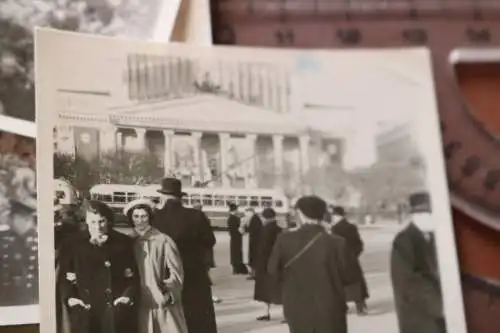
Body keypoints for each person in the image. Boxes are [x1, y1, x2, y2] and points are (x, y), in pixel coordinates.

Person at [268, 196, 355, 333]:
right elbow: (350, 277)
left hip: (297, 306)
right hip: (331, 307)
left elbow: (273, 270)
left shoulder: (284, 240)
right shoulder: (338, 243)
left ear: (301, 215)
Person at [58, 200, 139, 333]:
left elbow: (133, 276)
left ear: (108, 221)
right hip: (86, 310)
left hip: (114, 309)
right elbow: (64, 277)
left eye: (101, 221)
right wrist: (72, 300)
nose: (97, 227)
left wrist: (126, 297)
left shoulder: (123, 242)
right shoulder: (72, 244)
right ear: (86, 222)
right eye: (93, 222)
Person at [152, 178, 217, 333]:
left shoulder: (155, 217)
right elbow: (210, 241)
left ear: (163, 196)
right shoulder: (196, 216)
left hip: (166, 273)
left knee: (171, 316)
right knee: (198, 315)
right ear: (180, 196)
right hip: (194, 273)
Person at [124, 198, 188, 333]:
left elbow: (176, 271)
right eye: (136, 216)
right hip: (136, 299)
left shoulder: (163, 240)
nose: (140, 220)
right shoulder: (127, 241)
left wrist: (169, 291)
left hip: (159, 298)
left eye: (144, 216)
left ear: (150, 217)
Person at [390, 192, 446, 333]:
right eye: (432, 215)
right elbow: (411, 282)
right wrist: (441, 306)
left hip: (439, 316)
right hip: (419, 319)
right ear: (418, 216)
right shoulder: (403, 241)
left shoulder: (437, 238)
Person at [330, 205, 369, 315]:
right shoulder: (351, 226)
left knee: (340, 283)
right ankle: (360, 305)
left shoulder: (335, 229)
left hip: (340, 259)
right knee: (356, 282)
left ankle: (343, 306)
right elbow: (359, 244)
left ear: (337, 216)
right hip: (352, 259)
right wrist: (354, 255)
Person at [0, 199, 38, 306]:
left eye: (14, 219)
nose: (11, 222)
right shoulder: (8, 239)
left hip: (31, 300)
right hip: (10, 299)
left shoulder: (35, 239)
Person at [253, 208, 282, 321]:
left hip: (265, 263)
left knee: (265, 290)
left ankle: (266, 312)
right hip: (278, 263)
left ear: (264, 217)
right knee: (280, 288)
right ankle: (286, 314)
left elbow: (263, 249)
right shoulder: (279, 229)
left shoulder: (264, 230)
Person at [193, 202, 222, 304]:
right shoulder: (204, 218)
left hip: (198, 251)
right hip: (204, 250)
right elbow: (210, 239)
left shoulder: (191, 219)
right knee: (204, 269)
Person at [241, 207, 263, 279]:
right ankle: (253, 273)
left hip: (255, 241)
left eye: (247, 212)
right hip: (254, 241)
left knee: (254, 257)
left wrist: (244, 228)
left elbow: (252, 229)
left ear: (251, 212)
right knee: (253, 257)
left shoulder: (255, 219)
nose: (246, 214)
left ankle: (254, 274)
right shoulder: (254, 218)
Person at [227, 203, 248, 275]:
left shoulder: (230, 218)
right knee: (237, 253)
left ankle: (235, 269)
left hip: (233, 238)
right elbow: (240, 228)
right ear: (235, 210)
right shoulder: (235, 218)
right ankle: (239, 269)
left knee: (234, 253)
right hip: (237, 238)